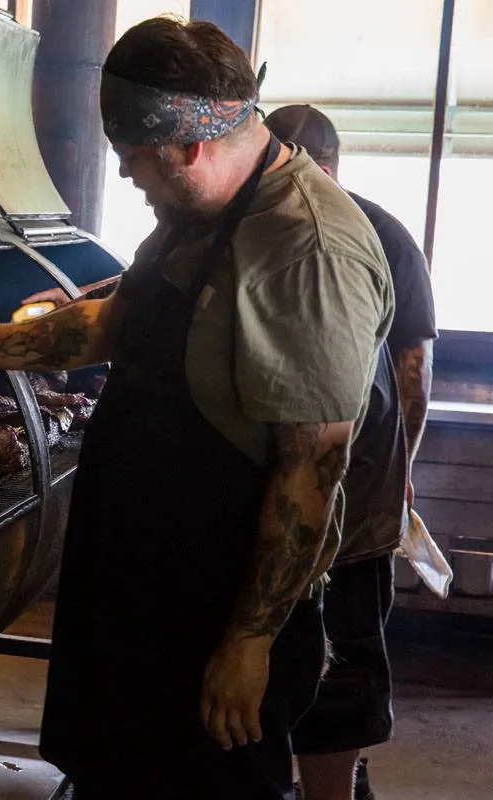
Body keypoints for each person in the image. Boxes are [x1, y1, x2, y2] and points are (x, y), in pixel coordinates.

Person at [0, 17, 394, 799]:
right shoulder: (195, 215)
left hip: (216, 605)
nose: (127, 173)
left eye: (134, 157)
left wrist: (247, 644)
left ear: (190, 145)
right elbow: (110, 323)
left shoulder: (307, 252)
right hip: (141, 581)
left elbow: (310, 475)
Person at [264, 104, 438, 800]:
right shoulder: (370, 230)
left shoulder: (378, 234)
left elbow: (412, 371)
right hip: (330, 484)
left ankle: (332, 784)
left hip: (352, 490)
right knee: (322, 654)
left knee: (338, 655)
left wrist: (401, 472)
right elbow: (413, 371)